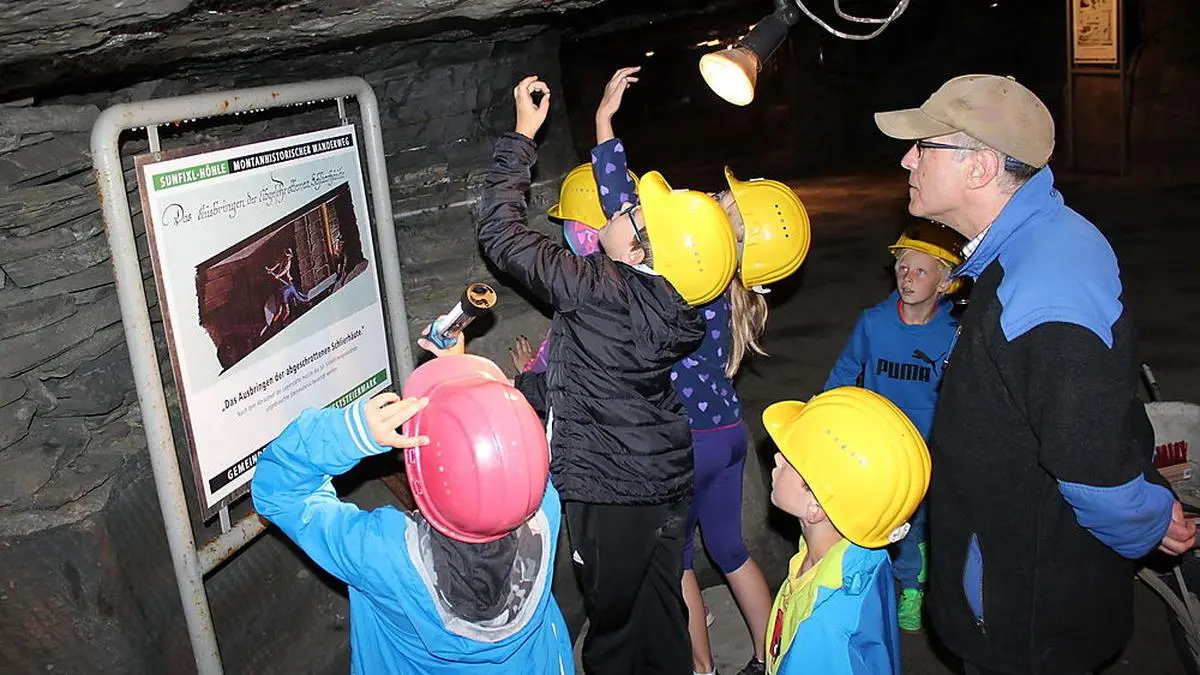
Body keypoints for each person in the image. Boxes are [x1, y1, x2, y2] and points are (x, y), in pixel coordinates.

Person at [873, 73, 1197, 675]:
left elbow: (1091, 461)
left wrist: (1148, 520)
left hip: (1025, 606)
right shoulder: (1033, 245)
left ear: (980, 167)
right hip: (1015, 581)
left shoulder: (1048, 288)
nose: (906, 158)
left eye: (925, 145)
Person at [477, 76, 738, 675]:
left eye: (629, 212)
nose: (617, 209)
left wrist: (521, 134)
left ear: (641, 251)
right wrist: (523, 393)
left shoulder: (595, 289)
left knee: (615, 630)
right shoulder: (683, 309)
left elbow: (499, 232)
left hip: (611, 492)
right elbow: (592, 374)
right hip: (668, 478)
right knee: (662, 615)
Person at [590, 65, 810, 675]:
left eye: (726, 201)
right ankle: (781, 654)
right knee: (733, 551)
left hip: (684, 443)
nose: (716, 195)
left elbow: (626, 222)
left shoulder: (690, 274)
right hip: (728, 437)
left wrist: (606, 124)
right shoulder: (733, 293)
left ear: (734, 233)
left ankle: (704, 670)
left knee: (680, 562)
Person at [251, 334, 573, 674]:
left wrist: (352, 433)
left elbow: (279, 494)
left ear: (419, 477)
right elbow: (505, 454)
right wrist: (457, 371)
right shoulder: (546, 510)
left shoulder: (385, 554)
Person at [822, 222, 964, 632]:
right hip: (879, 440)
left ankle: (913, 585)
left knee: (915, 519)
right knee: (879, 514)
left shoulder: (955, 333)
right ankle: (894, 579)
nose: (908, 277)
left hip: (928, 445)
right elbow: (847, 368)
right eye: (903, 268)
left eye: (921, 271)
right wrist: (826, 410)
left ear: (944, 282)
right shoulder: (874, 322)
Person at [761, 386, 931, 675]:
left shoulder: (822, 631)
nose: (778, 458)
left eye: (792, 460)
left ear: (816, 507)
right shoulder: (863, 552)